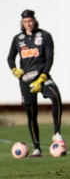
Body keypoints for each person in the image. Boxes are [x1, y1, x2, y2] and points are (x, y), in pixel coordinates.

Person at [7, 9, 64, 157]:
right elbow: (10, 58)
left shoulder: (45, 36)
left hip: (42, 77)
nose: (28, 24)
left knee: (56, 96)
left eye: (30, 21)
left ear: (34, 20)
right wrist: (14, 70)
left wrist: (43, 77)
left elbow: (50, 58)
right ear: (22, 23)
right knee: (31, 113)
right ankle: (37, 148)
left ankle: (57, 132)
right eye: (25, 22)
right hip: (26, 81)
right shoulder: (17, 38)